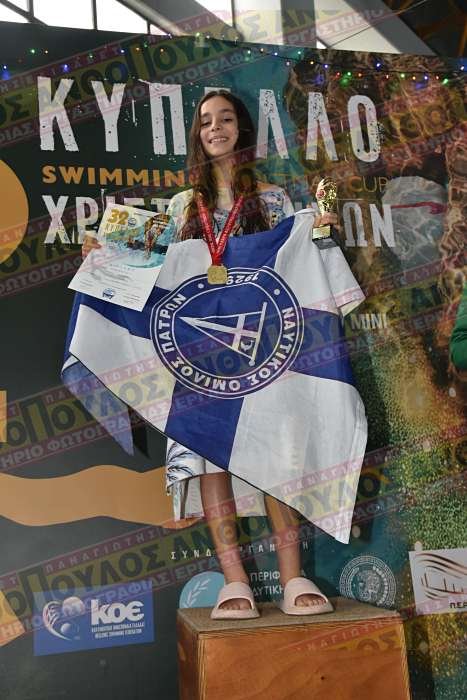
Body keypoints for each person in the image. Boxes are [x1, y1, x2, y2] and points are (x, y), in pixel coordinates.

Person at [83, 89, 339, 618]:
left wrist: (319, 238)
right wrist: (105, 255)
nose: (215, 128)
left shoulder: (273, 201)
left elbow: (297, 268)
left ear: (241, 129)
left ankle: (293, 577)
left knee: (279, 455)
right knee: (208, 455)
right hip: (197, 352)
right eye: (205, 122)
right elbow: (151, 272)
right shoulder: (181, 206)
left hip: (264, 348)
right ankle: (235, 581)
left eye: (225, 119)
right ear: (197, 135)